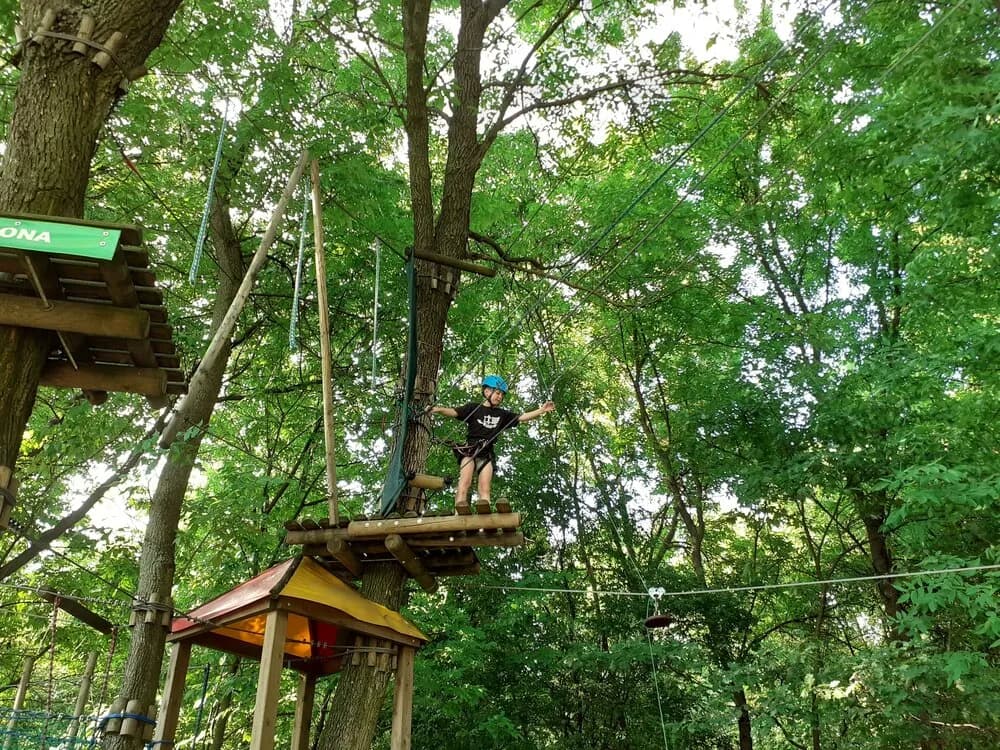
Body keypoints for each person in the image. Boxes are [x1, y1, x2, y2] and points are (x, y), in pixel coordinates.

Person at [430, 375, 555, 514]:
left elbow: (521, 417)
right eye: (497, 393)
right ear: (487, 392)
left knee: (485, 488)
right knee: (464, 483)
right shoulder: (474, 408)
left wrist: (541, 410)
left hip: (486, 453)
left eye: (502, 394)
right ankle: (457, 514)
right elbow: (454, 412)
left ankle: (485, 516)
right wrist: (439, 409)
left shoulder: (502, 415)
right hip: (470, 450)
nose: (500, 397)